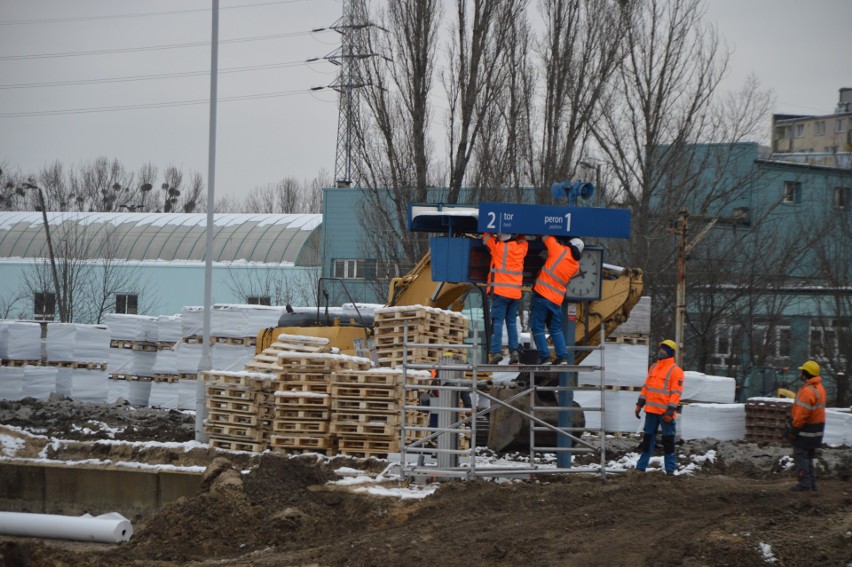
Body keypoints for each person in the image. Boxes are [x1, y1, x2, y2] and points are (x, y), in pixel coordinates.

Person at [529, 236, 583, 364]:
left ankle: (545, 356)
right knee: (555, 329)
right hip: (556, 301)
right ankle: (562, 357)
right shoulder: (576, 267)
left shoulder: (559, 250)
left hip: (542, 295)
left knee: (537, 328)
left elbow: (546, 237)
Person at [634, 339, 684, 474]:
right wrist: (639, 404)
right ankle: (640, 467)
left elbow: (676, 394)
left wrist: (670, 412)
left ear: (670, 352)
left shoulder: (676, 371)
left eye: (665, 348)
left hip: (665, 413)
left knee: (668, 441)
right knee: (647, 440)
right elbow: (646, 388)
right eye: (661, 347)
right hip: (650, 411)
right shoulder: (653, 367)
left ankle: (670, 470)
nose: (661, 350)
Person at [482, 232, 529, 364]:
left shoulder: (498, 248)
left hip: (500, 293)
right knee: (512, 323)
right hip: (514, 295)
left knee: (497, 322)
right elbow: (524, 241)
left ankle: (496, 352)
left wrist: (491, 231)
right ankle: (514, 351)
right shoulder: (520, 250)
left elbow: (485, 237)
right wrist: (519, 235)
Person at [786, 360, 826, 491]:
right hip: (816, 430)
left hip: (805, 430)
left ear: (806, 373)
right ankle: (811, 482)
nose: (800, 373)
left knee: (801, 456)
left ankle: (804, 483)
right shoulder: (819, 388)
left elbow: (802, 414)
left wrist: (794, 430)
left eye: (802, 371)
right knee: (808, 457)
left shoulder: (808, 391)